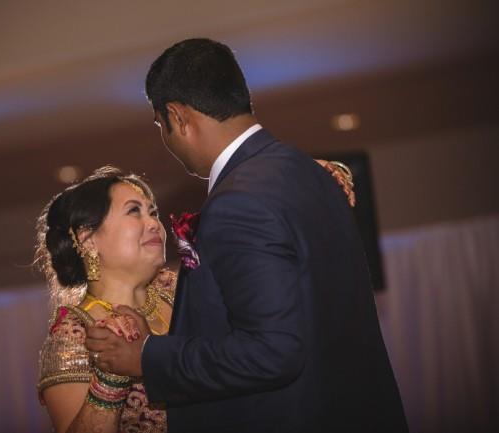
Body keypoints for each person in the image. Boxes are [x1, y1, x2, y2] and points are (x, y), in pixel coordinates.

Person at [85, 38, 409, 433]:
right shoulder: (316, 176)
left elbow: (273, 351)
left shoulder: (238, 201)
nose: (165, 139)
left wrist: (148, 356)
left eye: (160, 126)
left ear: (177, 116)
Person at [36, 164, 355, 433]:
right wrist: (110, 380)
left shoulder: (181, 287)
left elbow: (261, 289)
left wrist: (297, 183)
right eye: (134, 212)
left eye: (153, 212)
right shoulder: (74, 336)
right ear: (88, 239)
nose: (154, 224)